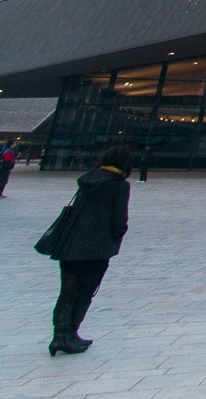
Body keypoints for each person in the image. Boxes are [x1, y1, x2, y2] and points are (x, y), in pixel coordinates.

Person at [48, 143, 132, 356]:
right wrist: (118, 235)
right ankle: (71, 334)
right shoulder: (119, 185)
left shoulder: (88, 179)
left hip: (71, 243)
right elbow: (119, 221)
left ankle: (59, 336)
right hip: (97, 247)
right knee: (85, 291)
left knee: (67, 290)